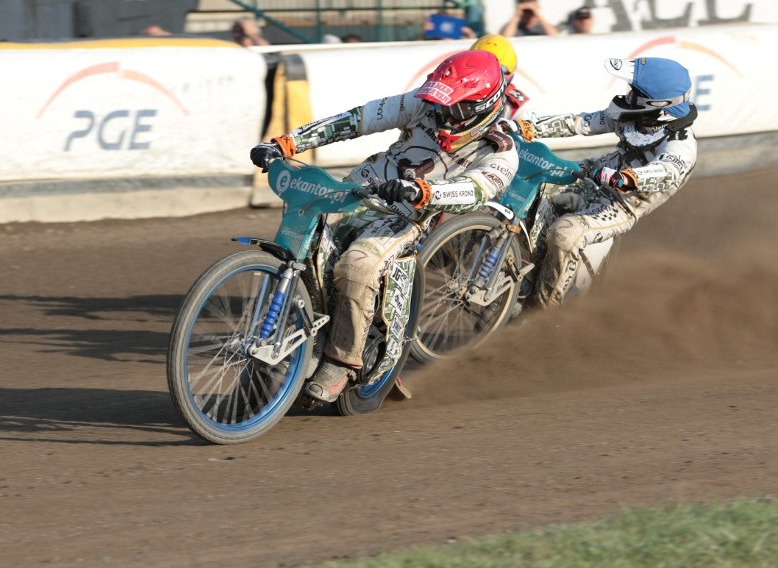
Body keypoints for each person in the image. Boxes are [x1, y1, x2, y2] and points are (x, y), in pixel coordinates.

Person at [249, 50, 519, 402]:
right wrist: (289, 142)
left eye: (454, 106)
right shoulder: (421, 103)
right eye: (441, 101)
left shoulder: (501, 153)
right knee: (301, 244)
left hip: (405, 217)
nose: (442, 113)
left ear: (482, 106)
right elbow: (357, 119)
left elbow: (475, 191)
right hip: (354, 191)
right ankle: (302, 331)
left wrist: (423, 191)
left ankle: (342, 360)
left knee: (357, 265)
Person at [514, 57, 698, 309]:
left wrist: (628, 178)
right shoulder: (633, 116)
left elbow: (666, 171)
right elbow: (581, 122)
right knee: (533, 184)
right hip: (597, 172)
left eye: (636, 93)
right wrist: (527, 127)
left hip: (625, 202)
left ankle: (541, 312)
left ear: (658, 104)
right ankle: (529, 267)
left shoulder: (682, 145)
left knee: (565, 233)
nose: (629, 96)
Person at [470, 33, 537, 122]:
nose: (485, 74)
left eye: (495, 69)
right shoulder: (453, 91)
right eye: (478, 66)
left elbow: (532, 128)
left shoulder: (517, 104)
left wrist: (512, 127)